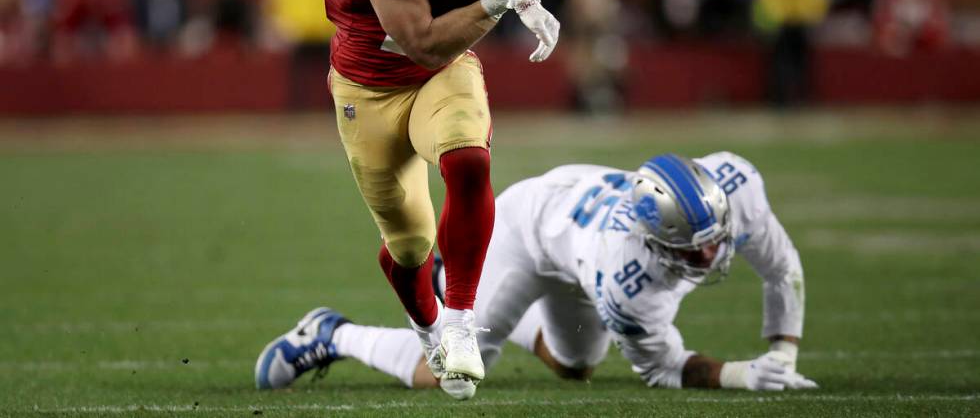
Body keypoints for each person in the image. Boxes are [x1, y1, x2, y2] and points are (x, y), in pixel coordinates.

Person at [253, 0, 560, 401]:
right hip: (370, 86)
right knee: (410, 244)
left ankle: (462, 321)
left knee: (469, 159)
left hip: (443, 74)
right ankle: (428, 335)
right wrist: (499, 2)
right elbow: (420, 38)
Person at [255, 152, 818, 393]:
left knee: (577, 369)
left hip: (574, 228)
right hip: (526, 229)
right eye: (692, 252)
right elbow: (663, 368)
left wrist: (783, 355)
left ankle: (467, 294)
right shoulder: (624, 275)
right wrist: (744, 375)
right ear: (655, 240)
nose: (711, 257)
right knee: (451, 375)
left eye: (713, 241)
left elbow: (781, 267)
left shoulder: (734, 189)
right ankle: (331, 332)